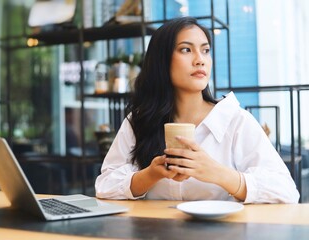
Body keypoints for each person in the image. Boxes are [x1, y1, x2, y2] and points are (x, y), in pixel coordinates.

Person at [95, 17, 299, 203]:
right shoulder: (140, 121)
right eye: (186, 49)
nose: (200, 59)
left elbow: (286, 191)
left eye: (205, 50)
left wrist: (218, 173)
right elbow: (104, 186)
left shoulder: (235, 120)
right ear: (162, 61)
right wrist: (150, 175)